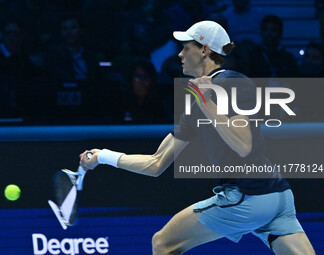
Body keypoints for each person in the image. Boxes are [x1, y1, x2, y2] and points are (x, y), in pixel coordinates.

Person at [79, 21, 315, 254]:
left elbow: (243, 145)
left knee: (163, 243)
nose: (180, 53)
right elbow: (156, 163)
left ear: (204, 49)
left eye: (186, 47)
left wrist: (206, 102)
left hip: (249, 194)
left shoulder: (231, 81)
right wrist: (103, 157)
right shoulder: (194, 105)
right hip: (274, 197)